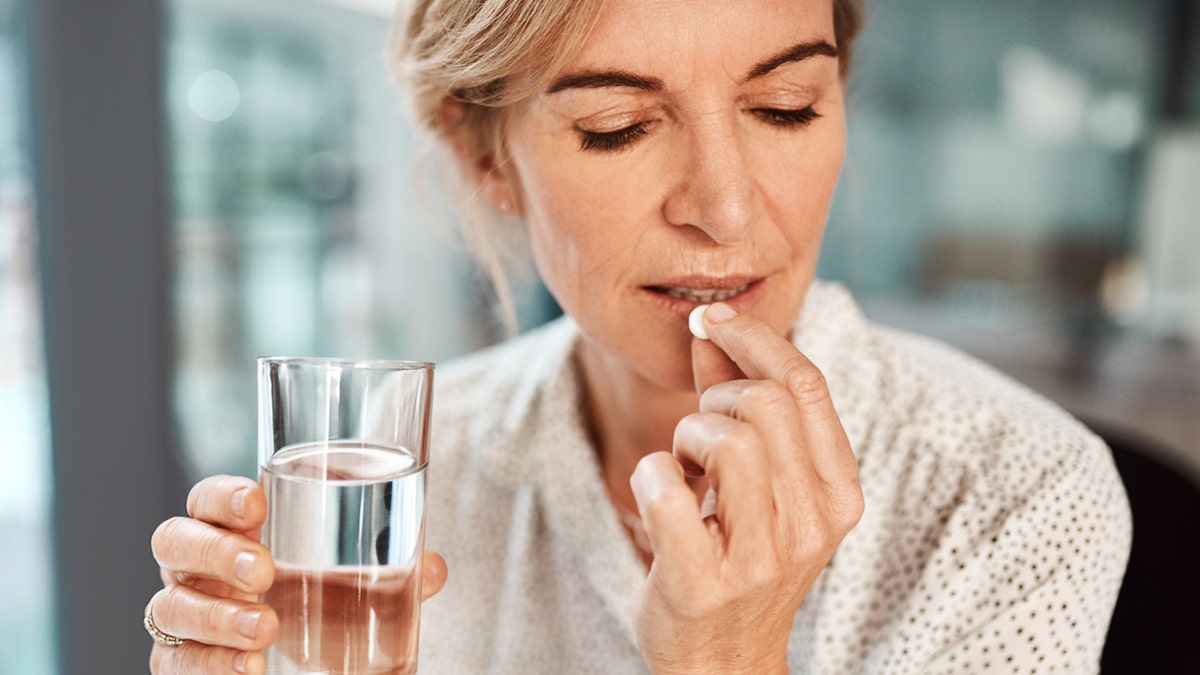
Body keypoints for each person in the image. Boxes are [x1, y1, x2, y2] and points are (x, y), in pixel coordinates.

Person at [146, 0, 1132, 673]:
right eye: (619, 126)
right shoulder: (394, 488)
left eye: (784, 107)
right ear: (481, 153)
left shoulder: (1017, 491)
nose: (727, 205)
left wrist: (731, 658)